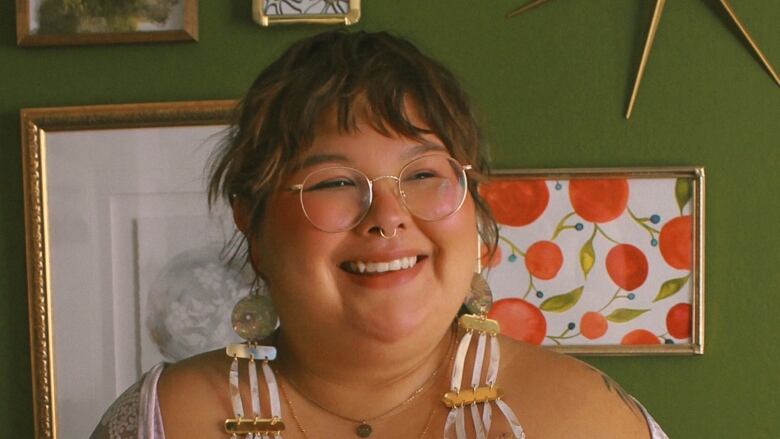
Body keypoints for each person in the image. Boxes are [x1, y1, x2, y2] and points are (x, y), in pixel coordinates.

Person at [92, 30, 668, 439]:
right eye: (335, 181)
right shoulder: (160, 422)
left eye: (423, 174)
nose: (387, 215)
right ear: (252, 216)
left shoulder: (589, 420)